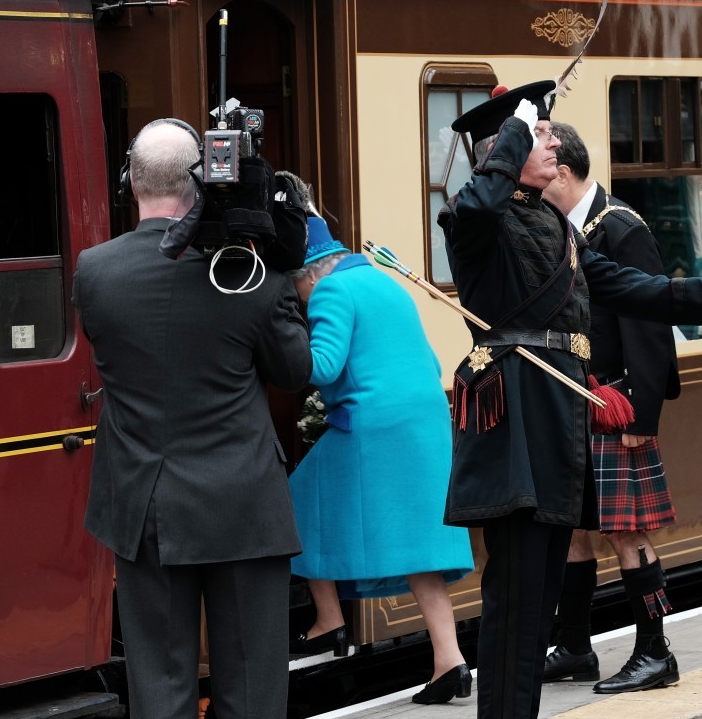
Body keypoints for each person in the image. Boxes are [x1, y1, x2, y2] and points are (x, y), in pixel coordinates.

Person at [436, 81, 702, 718]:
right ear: (504, 149)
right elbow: (474, 208)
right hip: (517, 424)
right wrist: (511, 142)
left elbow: (640, 291)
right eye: (541, 133)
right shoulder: (477, 222)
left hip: (556, 424)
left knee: (540, 599)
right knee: (518, 602)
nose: (556, 141)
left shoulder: (555, 224)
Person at [72, 119, 313, 719]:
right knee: (253, 688)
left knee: (160, 685)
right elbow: (294, 369)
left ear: (130, 182)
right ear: (201, 185)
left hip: (143, 504)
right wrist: (266, 253)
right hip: (242, 504)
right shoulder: (246, 274)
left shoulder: (94, 271)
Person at [288, 216, 474, 705]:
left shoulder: (329, 291)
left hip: (376, 427)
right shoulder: (381, 280)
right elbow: (428, 362)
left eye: (295, 289)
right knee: (419, 544)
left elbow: (323, 365)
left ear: (309, 275)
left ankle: (329, 619)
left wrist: (282, 342)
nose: (300, 299)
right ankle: (449, 660)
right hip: (426, 420)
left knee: (293, 498)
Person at [541, 122, 680, 693]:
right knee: (573, 529)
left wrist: (641, 418)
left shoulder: (621, 228)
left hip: (615, 404)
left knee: (627, 532)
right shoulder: (556, 228)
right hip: (574, 404)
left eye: (543, 173)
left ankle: (656, 651)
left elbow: (650, 321)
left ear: (565, 173)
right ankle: (575, 646)